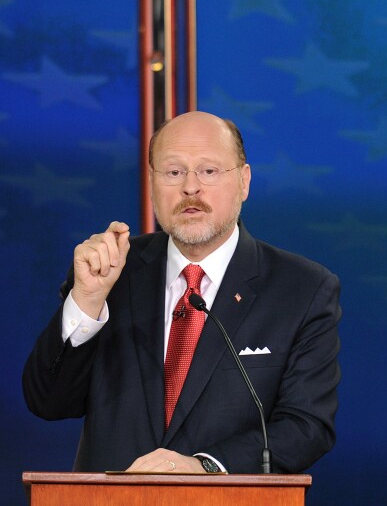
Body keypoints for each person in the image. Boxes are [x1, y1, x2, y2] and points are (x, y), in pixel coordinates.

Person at [23, 111, 341, 474]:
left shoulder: (302, 288)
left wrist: (204, 466)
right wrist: (88, 301)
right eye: (174, 172)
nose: (191, 188)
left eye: (209, 171)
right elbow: (47, 401)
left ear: (244, 182)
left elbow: (306, 427)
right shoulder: (111, 271)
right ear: (152, 182)